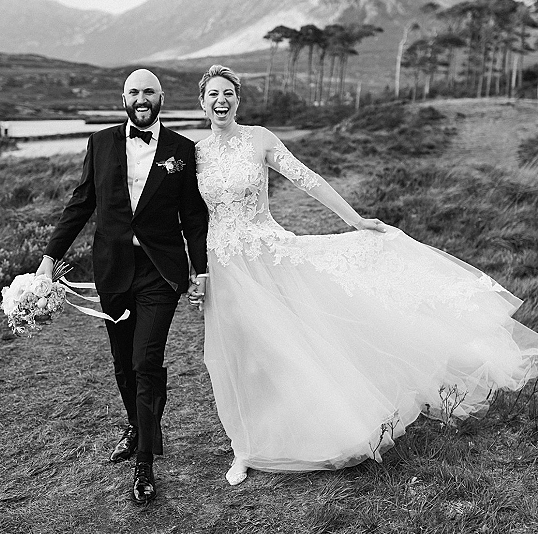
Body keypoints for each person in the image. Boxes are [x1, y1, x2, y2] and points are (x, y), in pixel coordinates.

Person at [190, 65, 538, 486]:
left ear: (238, 100)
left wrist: (354, 219)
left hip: (267, 255)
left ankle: (307, 426)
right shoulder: (196, 153)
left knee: (285, 344)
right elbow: (187, 216)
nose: (221, 100)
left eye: (228, 93)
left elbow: (308, 180)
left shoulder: (259, 139)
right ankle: (244, 447)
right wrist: (191, 270)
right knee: (238, 355)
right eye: (213, 94)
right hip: (224, 264)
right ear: (202, 102)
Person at [37, 69, 208, 503]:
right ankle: (135, 425)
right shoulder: (100, 142)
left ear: (162, 98)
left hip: (160, 271)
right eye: (134, 91)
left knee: (146, 360)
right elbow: (81, 203)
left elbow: (193, 217)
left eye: (149, 91)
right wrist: (49, 257)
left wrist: (200, 271)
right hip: (112, 269)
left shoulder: (182, 150)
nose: (142, 98)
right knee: (122, 362)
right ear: (124, 98)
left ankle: (145, 462)